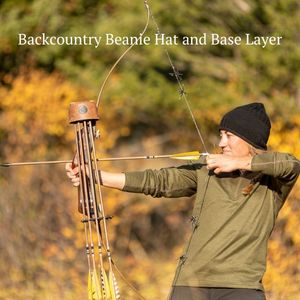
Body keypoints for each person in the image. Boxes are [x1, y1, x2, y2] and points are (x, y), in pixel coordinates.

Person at [66, 102, 299, 300]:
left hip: (240, 286)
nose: (221, 143)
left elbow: (292, 164)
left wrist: (240, 164)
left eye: (229, 136)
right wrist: (97, 177)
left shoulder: (271, 182)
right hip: (190, 284)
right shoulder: (207, 171)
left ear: (250, 141)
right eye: (220, 135)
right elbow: (159, 181)